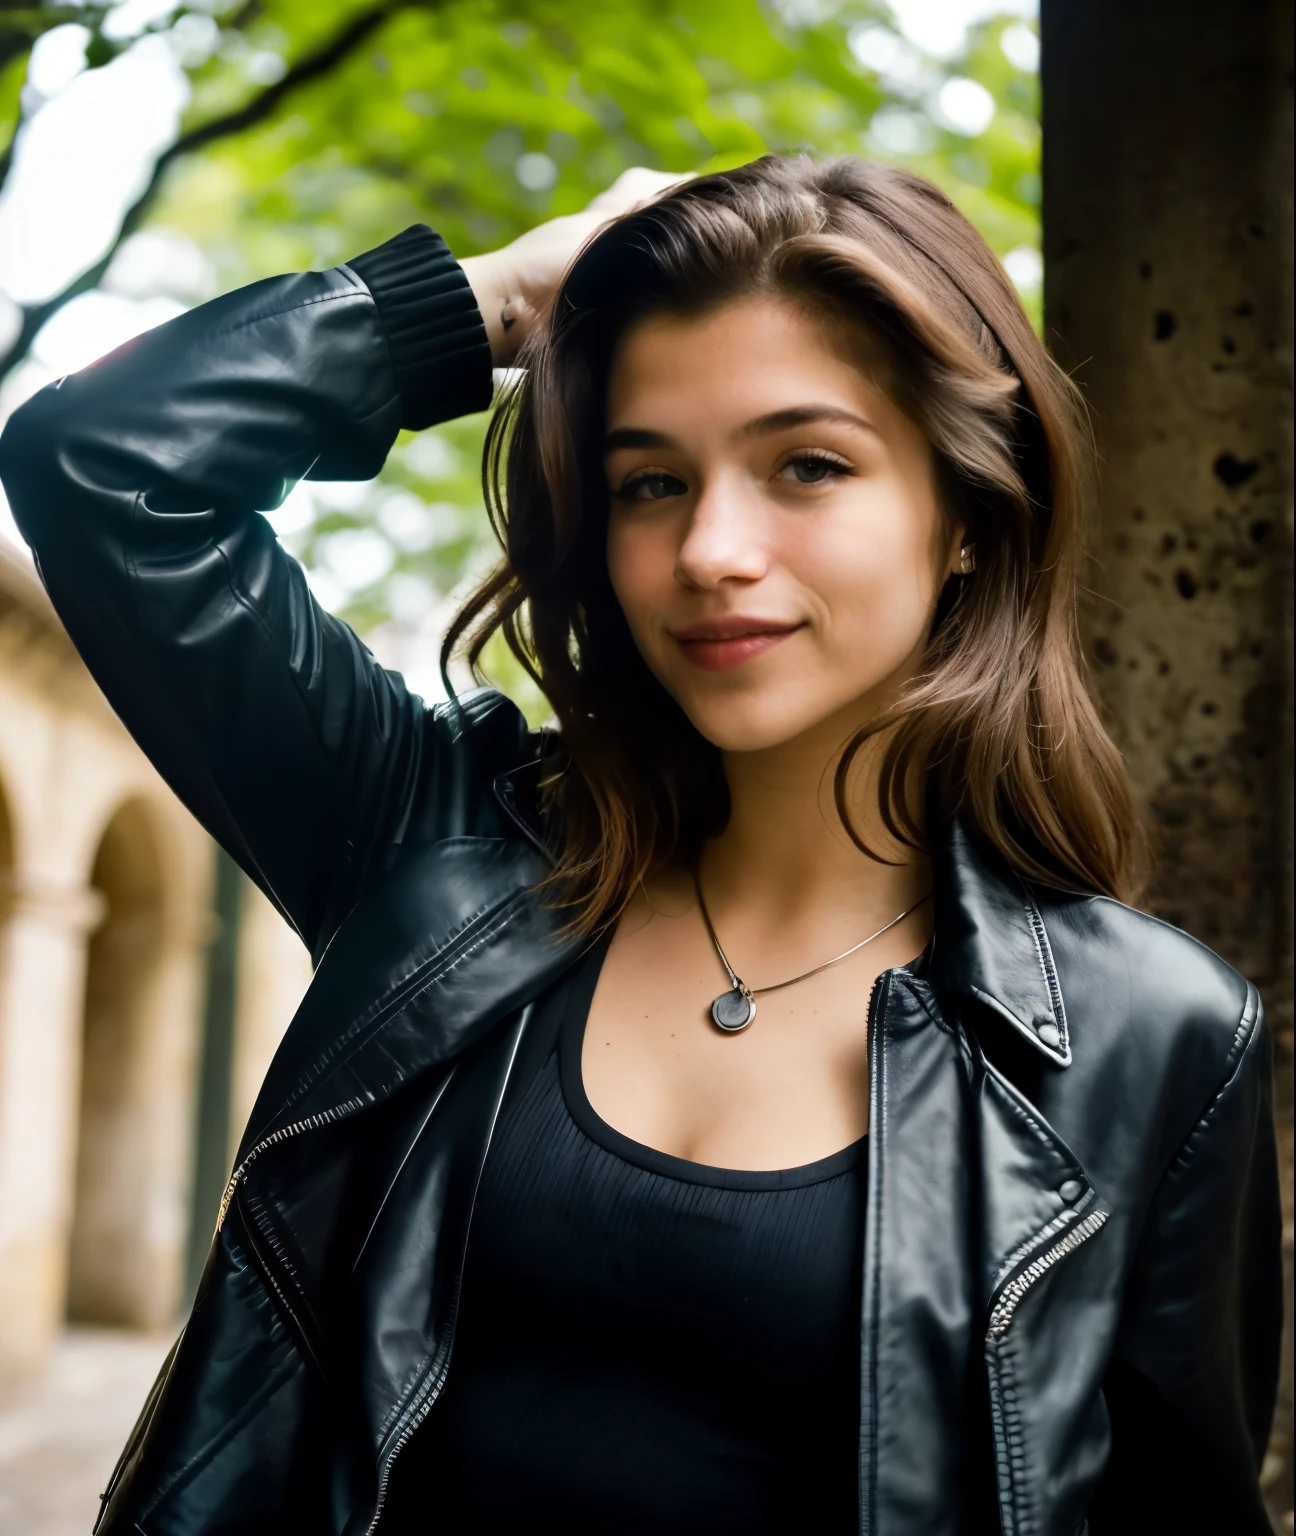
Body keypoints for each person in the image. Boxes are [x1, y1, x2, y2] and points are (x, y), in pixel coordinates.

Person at [0, 155, 1281, 1536]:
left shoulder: (1154, 1037)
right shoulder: (441, 867)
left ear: (967, 514)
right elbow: (106, 464)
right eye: (650, 482)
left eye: (807, 464)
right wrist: (502, 297)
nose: (713, 549)